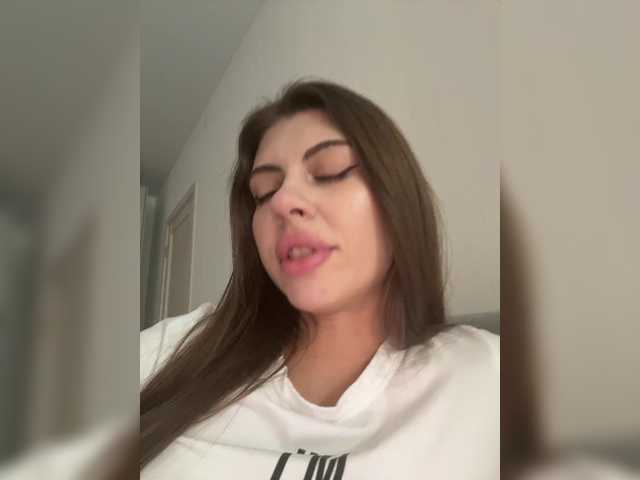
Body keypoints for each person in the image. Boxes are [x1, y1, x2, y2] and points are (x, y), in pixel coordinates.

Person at [140, 79, 499, 478]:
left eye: (330, 172)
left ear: (397, 196)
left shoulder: (486, 377)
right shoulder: (175, 349)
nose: (282, 202)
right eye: (264, 192)